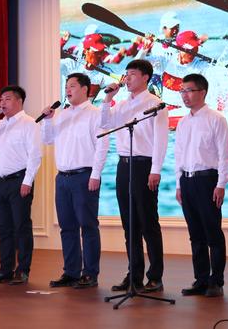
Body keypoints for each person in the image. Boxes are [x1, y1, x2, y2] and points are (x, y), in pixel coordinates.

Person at [101, 59, 169, 293]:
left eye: (132, 74)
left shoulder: (156, 104)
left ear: (145, 77)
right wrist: (108, 99)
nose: (127, 78)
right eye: (126, 74)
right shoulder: (121, 105)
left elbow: (161, 140)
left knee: (148, 223)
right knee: (129, 224)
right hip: (124, 165)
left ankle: (155, 276)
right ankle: (134, 275)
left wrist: (156, 169)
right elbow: (104, 123)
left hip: (144, 165)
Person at [41, 73, 109, 289]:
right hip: (62, 177)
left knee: (88, 226)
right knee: (67, 227)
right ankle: (71, 272)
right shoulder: (62, 114)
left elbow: (102, 146)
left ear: (85, 89)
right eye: (66, 86)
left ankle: (90, 273)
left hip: (84, 176)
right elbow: (47, 140)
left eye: (72, 86)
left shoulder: (95, 114)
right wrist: (48, 120)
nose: (67, 90)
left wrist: (95, 174)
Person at [174, 74, 228, 297]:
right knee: (195, 234)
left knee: (212, 233)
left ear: (202, 92)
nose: (184, 95)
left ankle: (216, 281)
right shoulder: (182, 122)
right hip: (187, 181)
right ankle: (201, 279)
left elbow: (224, 155)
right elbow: (178, 155)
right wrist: (178, 185)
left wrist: (221, 184)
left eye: (189, 90)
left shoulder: (216, 119)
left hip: (208, 180)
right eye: (182, 91)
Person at [0, 85, 42, 285]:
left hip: (19, 180)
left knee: (21, 227)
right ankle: (5, 268)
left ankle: (23, 269)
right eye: (1, 99)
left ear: (19, 101)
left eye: (7, 99)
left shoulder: (29, 123)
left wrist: (27, 181)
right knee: (4, 228)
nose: (2, 103)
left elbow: (35, 155)